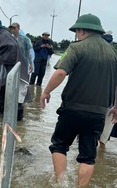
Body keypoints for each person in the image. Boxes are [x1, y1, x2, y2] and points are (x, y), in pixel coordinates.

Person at [40, 13, 117, 187]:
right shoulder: (113, 54)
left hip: (72, 109)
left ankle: (61, 183)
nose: (76, 34)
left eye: (77, 31)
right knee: (88, 157)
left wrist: (45, 92)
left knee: (59, 146)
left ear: (82, 30)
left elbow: (60, 72)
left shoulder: (76, 48)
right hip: (98, 113)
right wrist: (116, 107)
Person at [0, 17, 27, 120]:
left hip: (12, 69)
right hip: (11, 69)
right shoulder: (2, 35)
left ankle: (10, 118)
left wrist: (0, 59)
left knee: (11, 93)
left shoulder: (3, 35)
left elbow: (12, 48)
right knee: (9, 93)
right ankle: (5, 119)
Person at [9, 22, 34, 120]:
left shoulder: (25, 39)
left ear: (18, 28)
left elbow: (28, 53)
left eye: (14, 28)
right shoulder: (10, 38)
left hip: (23, 65)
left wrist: (31, 64)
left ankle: (20, 112)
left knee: (23, 87)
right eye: (11, 28)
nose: (13, 30)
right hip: (12, 66)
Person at [99, 31, 117, 148]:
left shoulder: (89, 55)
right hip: (109, 103)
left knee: (88, 136)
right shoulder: (114, 57)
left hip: (94, 103)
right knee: (103, 139)